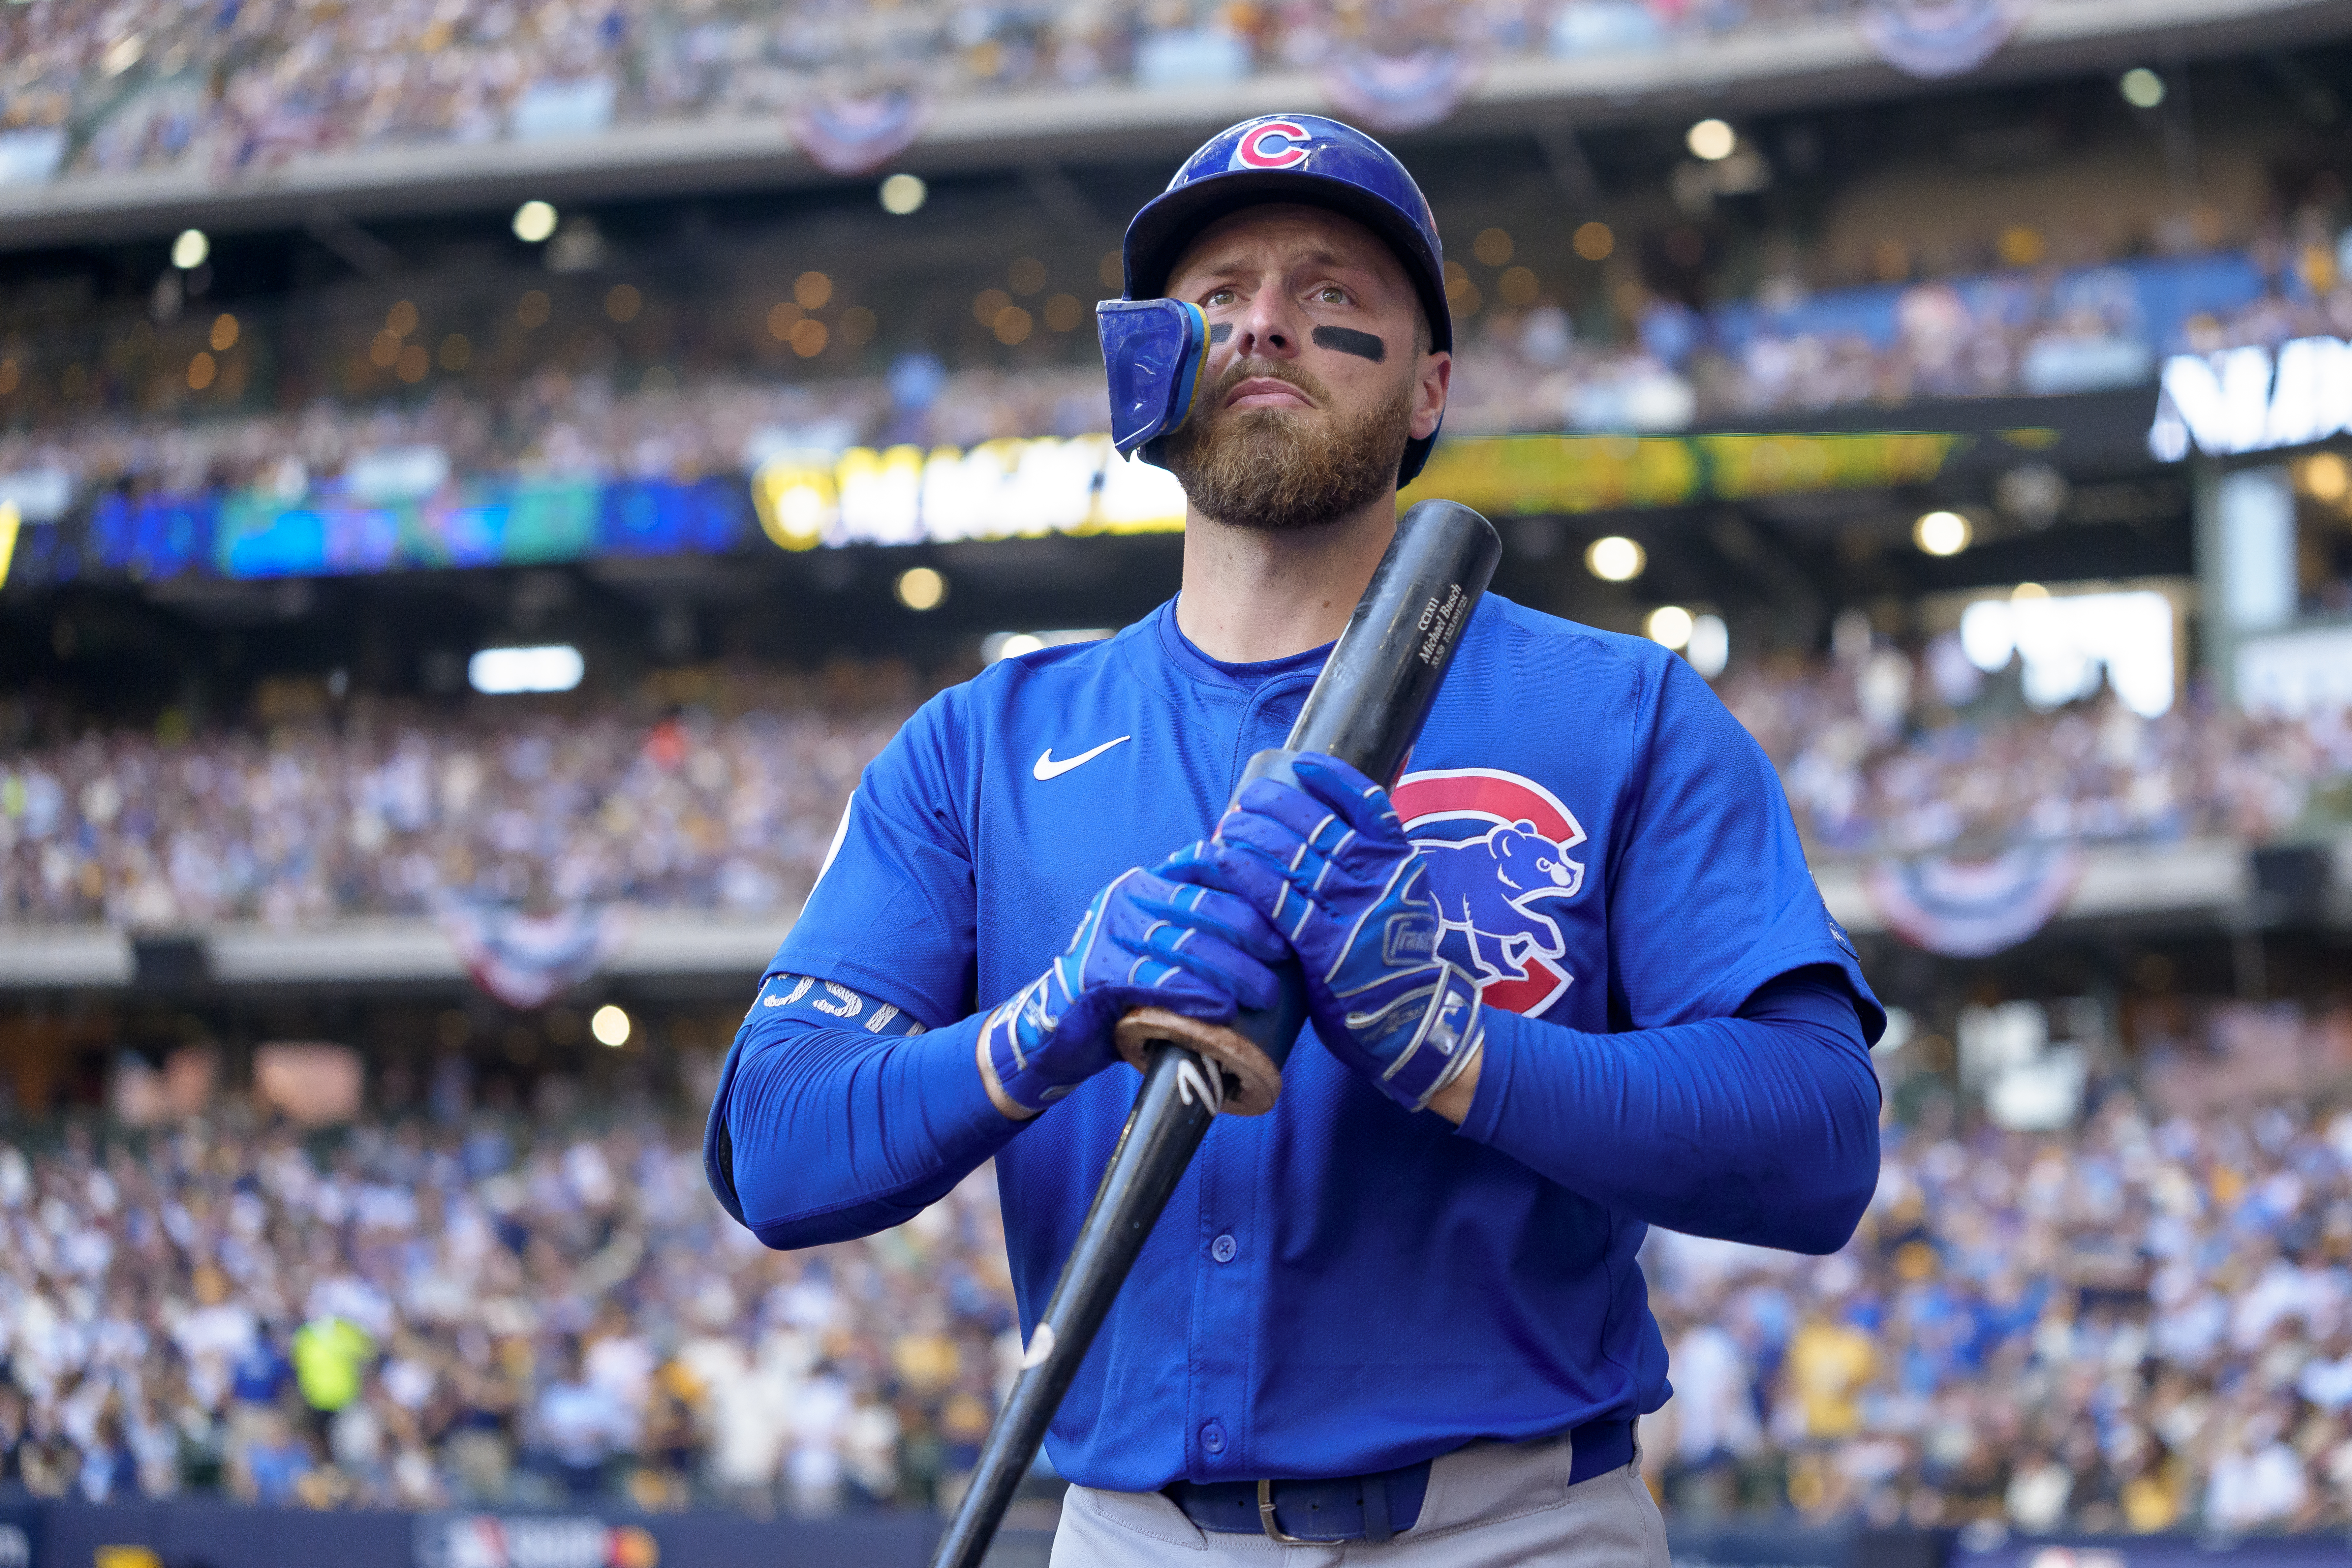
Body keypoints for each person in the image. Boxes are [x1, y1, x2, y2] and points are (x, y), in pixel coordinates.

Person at [706, 112, 1885, 1564]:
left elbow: (1819, 1139)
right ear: (1155, 361)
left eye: (1334, 299)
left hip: (1513, 1525)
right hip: (1133, 1535)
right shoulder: (977, 747)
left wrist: (1459, 1054)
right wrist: (1045, 1022)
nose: (1266, 324)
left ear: (1427, 388)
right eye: (1216, 297)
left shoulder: (1623, 710)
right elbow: (778, 1145)